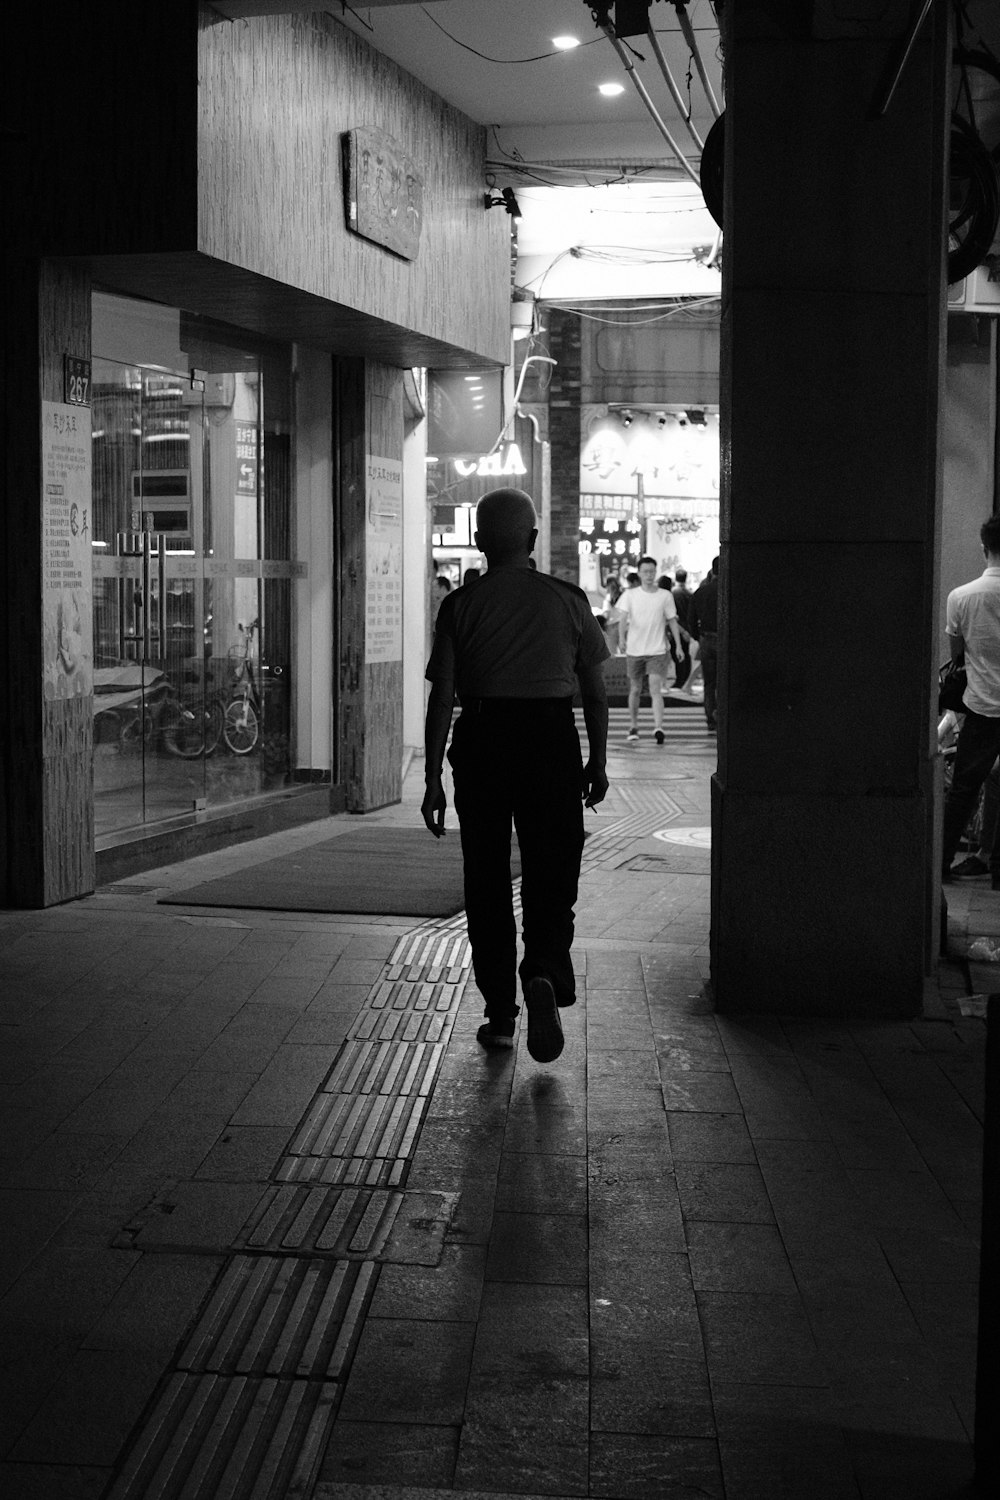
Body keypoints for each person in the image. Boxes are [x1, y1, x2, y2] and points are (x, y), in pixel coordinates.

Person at [422, 488, 610, 1062]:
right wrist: (596, 762)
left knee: (485, 879)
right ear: (531, 540)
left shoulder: (461, 606)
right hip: (550, 740)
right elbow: (596, 694)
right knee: (552, 872)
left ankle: (500, 1013)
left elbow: (443, 697)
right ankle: (545, 971)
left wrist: (432, 779)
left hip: (482, 740)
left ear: (479, 541)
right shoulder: (568, 600)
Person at [942, 514, 1000, 887]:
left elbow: (957, 656)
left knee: (964, 789)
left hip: (981, 708)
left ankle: (943, 860)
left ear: (983, 549)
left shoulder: (960, 598)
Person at [618, 555, 682, 744]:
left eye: (652, 571)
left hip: (657, 650)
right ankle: (633, 725)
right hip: (634, 649)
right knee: (635, 689)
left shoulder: (665, 596)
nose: (649, 575)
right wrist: (621, 638)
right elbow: (622, 618)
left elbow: (672, 621)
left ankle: (658, 727)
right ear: (639, 573)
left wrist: (678, 645)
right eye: (645, 571)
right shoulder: (630, 595)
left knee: (655, 688)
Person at [689, 556, 719, 732]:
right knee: (725, 681)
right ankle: (723, 716)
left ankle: (710, 720)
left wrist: (697, 636)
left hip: (706, 639)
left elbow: (691, 619)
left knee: (709, 682)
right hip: (724, 640)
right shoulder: (729, 589)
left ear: (712, 570)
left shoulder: (700, 592)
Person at [672, 568, 694, 688]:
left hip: (678, 626)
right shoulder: (689, 592)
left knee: (678, 653)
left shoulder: (674, 593)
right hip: (688, 627)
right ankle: (685, 679)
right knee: (686, 653)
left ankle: (680, 680)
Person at [601, 575, 624, 653]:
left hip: (611, 627)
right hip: (624, 626)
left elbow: (606, 614)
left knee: (612, 654)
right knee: (626, 652)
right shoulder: (624, 596)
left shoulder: (608, 598)